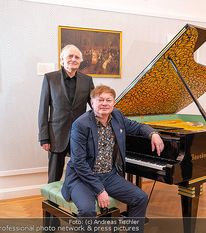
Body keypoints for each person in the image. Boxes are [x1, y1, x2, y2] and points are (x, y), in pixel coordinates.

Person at [61, 85, 164, 233]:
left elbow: (138, 126)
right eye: (100, 100)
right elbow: (79, 163)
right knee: (87, 210)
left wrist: (153, 133)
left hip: (108, 175)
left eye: (108, 100)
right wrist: (99, 190)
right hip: (82, 178)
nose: (104, 103)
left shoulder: (117, 116)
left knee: (140, 197)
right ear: (92, 102)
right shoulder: (81, 124)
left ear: (114, 103)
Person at [38, 44, 94, 184]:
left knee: (80, 172)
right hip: (56, 135)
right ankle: (51, 202)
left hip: (79, 135)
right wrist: (44, 138)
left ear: (80, 61)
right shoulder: (50, 78)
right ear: (62, 58)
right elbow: (43, 110)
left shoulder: (87, 80)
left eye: (77, 57)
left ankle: (77, 199)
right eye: (70, 56)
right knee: (54, 175)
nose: (73, 59)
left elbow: (95, 107)